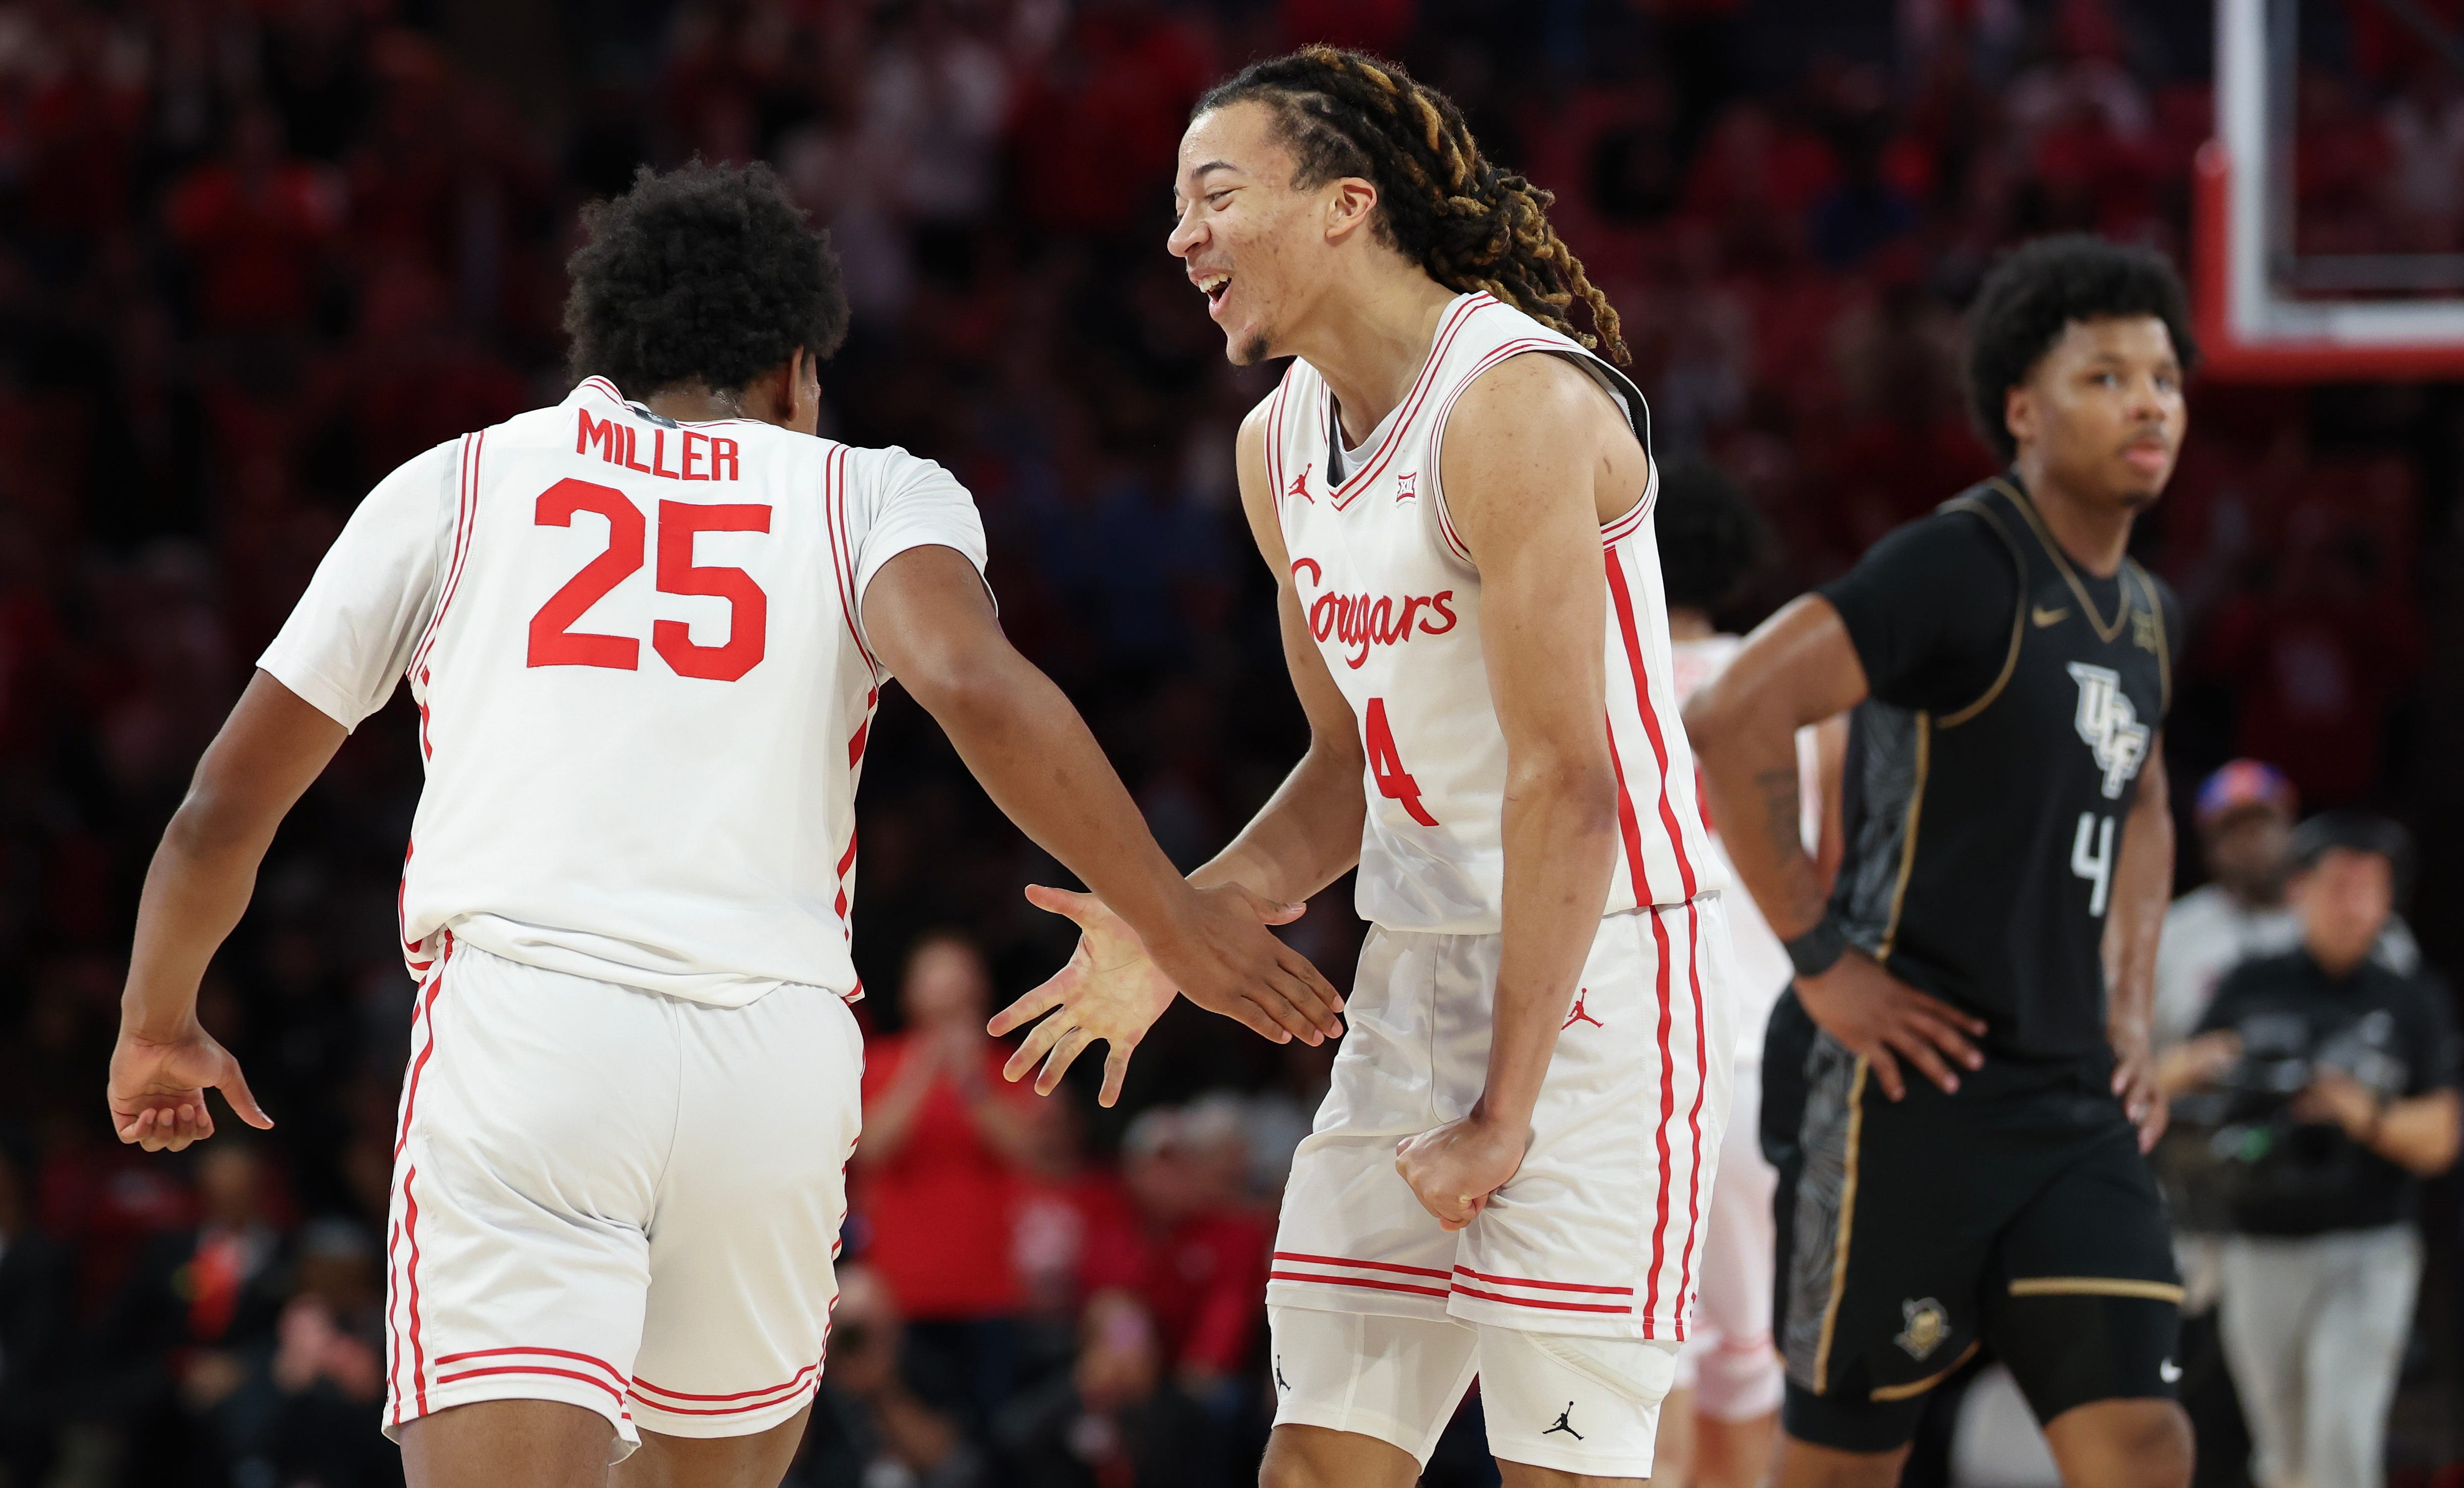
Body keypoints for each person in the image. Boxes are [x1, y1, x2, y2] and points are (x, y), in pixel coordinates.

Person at [102, 160, 1343, 1488]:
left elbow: (220, 804)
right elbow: (976, 684)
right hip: (776, 1055)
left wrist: (158, 1019)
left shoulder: (459, 483)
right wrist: (1173, 918)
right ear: (795, 371)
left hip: (533, 1030)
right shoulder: (871, 490)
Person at [996, 45, 1734, 1485]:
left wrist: (1502, 1111)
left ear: (1344, 204)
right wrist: (1175, 924)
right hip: (1413, 973)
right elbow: (1346, 767)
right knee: (1323, 1456)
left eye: (1213, 194)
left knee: (1564, 1468)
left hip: (1598, 980)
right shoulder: (1275, 444)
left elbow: (1565, 782)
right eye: (1173, 204)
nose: (1179, 235)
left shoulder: (1511, 403)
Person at [1685, 234, 2198, 1488]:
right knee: (1843, 1466)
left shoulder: (2145, 610)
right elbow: (1730, 715)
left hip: (2073, 1099)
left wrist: (2131, 1009)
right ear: (2022, 409)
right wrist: (1822, 961)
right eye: (2107, 378)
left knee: (2144, 1439)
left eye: (2167, 379)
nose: (2149, 403)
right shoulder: (1960, 564)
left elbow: (2142, 810)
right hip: (1907, 1093)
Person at [2164, 812, 2461, 1488]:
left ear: (2389, 900)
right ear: (2297, 889)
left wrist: (2361, 1110)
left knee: (2342, 1437)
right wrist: (2212, 1063)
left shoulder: (2410, 997)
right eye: (2335, 885)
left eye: (2367, 887)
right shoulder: (2248, 982)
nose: (2350, 903)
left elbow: (2440, 1137)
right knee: (2282, 1451)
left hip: (2365, 1245)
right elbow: (2161, 1077)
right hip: (2257, 1244)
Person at [1658, 461, 1844, 1488]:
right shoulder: (1802, 704)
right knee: (1748, 1366)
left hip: (1633, 1049)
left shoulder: (1586, 675)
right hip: (1762, 1060)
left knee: (1639, 1366)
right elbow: (1833, 903)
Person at [857, 932, 1041, 1427]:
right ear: (910, 993)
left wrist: (970, 1081)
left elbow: (1029, 1151)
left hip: (990, 1291)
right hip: (901, 1293)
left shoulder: (1006, 1066)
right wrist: (923, 1069)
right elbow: (870, 1148)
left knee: (989, 1436)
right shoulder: (879, 1063)